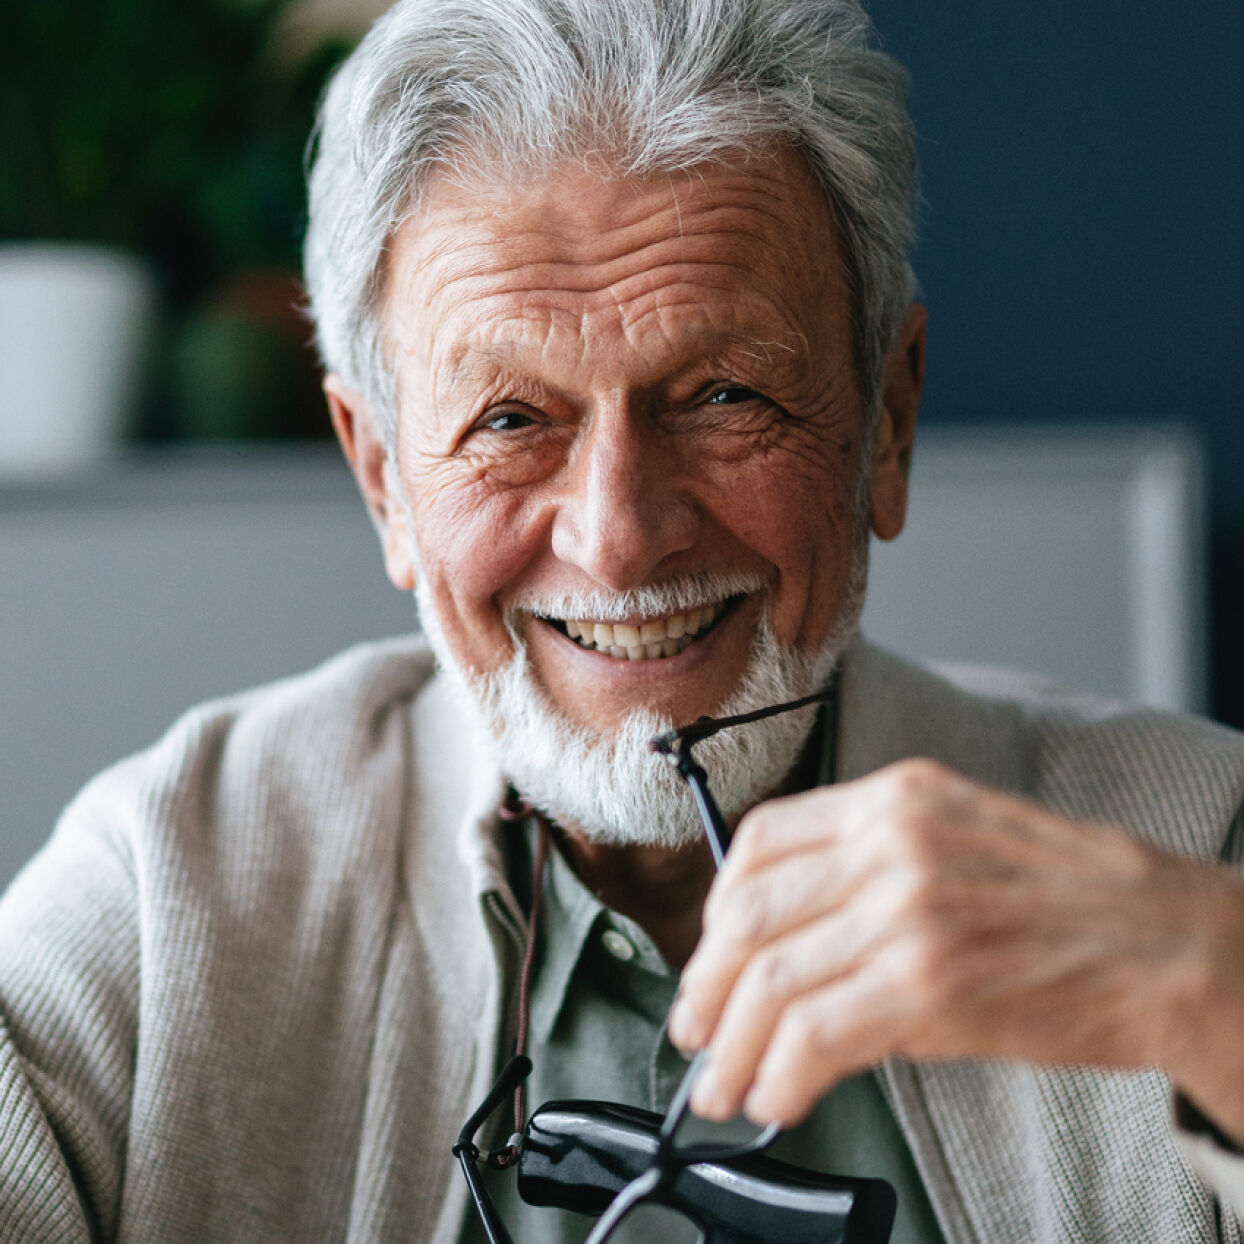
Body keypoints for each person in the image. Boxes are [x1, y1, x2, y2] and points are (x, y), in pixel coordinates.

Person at [2, 0, 1242, 1240]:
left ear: (888, 422)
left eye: (720, 392)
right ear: (383, 476)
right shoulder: (168, 895)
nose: (617, 533)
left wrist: (1210, 990)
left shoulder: (1197, 843)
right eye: (508, 418)